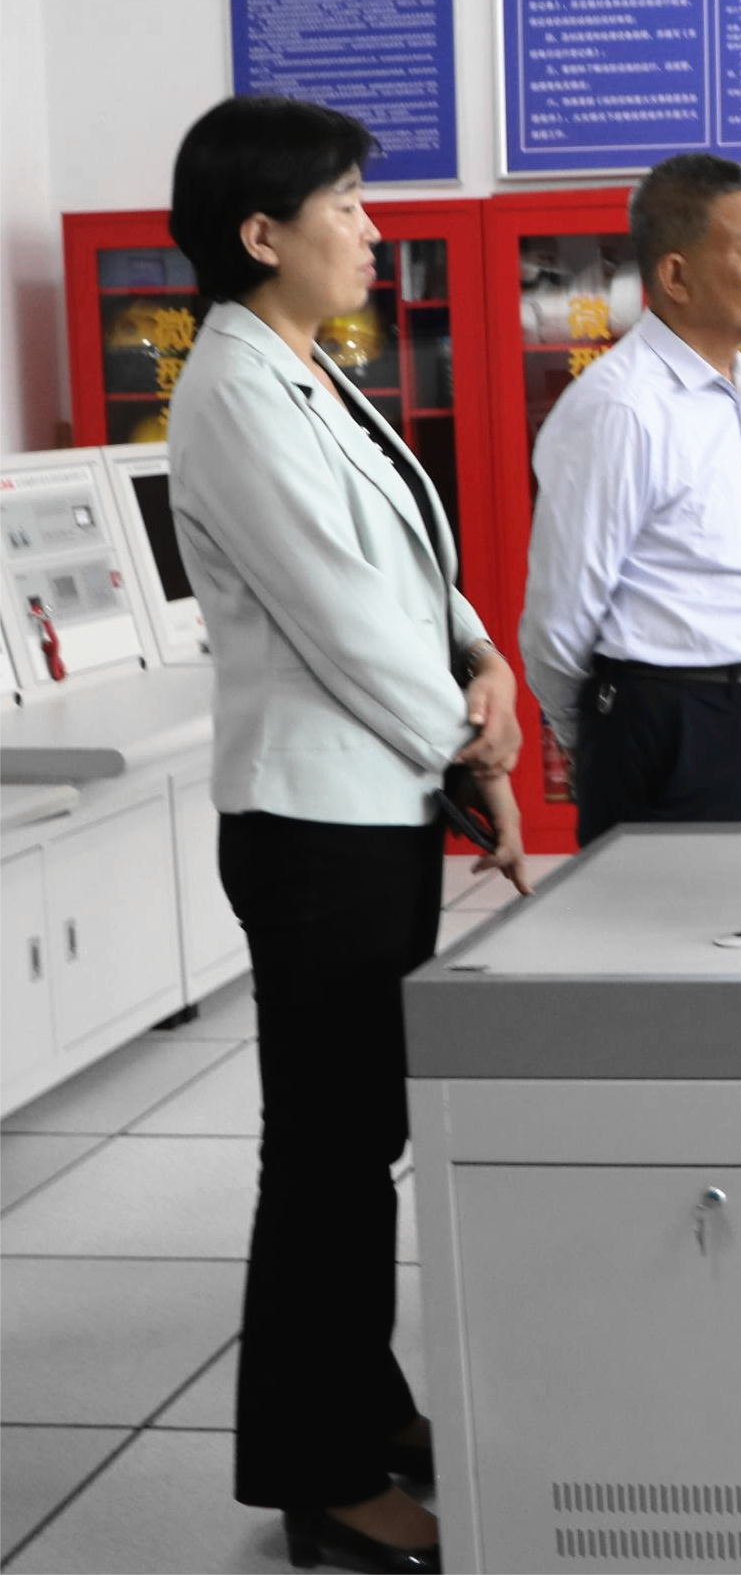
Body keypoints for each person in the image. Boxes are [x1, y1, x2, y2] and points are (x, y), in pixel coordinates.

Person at [165, 94, 530, 1574]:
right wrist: (471, 744)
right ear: (263, 233)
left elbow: (410, 566)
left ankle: (364, 1406)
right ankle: (319, 1478)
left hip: (369, 805)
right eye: (349, 207)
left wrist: (483, 656)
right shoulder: (233, 390)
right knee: (325, 1154)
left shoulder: (306, 367)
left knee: (358, 1135)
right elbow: (340, 617)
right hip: (314, 825)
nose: (374, 231)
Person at [520, 153, 741, 846]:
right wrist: (595, 733)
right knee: (670, 916)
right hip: (670, 720)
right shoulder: (621, 407)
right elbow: (559, 617)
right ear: (676, 276)